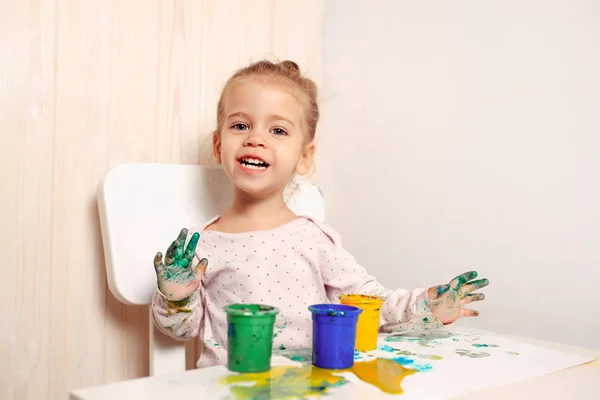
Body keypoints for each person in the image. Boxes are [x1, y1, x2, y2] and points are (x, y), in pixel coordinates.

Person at [151, 60, 489, 368]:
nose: (255, 138)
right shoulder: (200, 247)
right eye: (240, 125)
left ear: (304, 157)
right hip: (231, 387)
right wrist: (175, 295)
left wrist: (427, 305)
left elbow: (369, 303)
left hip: (309, 386)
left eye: (278, 131)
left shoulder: (313, 238)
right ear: (218, 145)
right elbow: (181, 331)